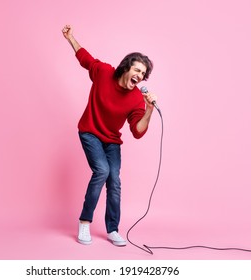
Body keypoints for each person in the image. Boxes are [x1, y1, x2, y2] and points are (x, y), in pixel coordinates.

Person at [62, 25, 158, 246]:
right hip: (90, 132)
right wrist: (71, 38)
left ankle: (113, 229)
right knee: (102, 170)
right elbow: (85, 58)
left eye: (143, 74)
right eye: (137, 70)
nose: (140, 76)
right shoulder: (104, 72)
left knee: (114, 180)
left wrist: (149, 110)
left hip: (111, 140)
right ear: (126, 67)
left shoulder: (136, 98)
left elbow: (137, 131)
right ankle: (85, 222)